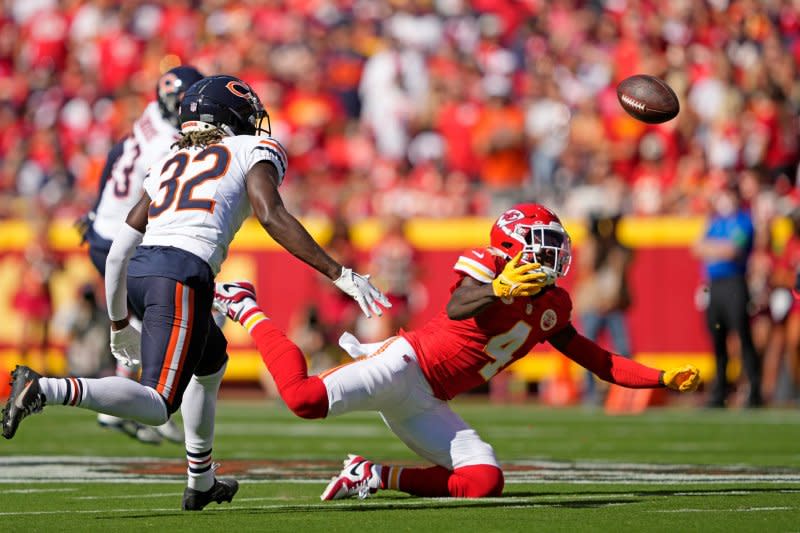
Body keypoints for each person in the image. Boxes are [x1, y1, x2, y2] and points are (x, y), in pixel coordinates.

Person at [2, 75, 391, 511]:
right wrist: (339, 273)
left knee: (212, 360)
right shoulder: (249, 149)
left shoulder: (169, 160)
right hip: (183, 272)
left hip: (142, 271)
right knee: (157, 404)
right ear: (230, 116)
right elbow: (271, 213)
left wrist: (117, 323)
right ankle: (45, 389)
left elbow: (117, 256)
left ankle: (201, 480)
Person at [213, 203, 700, 501]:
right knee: (303, 400)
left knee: (484, 480)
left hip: (429, 401)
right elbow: (459, 304)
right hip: (403, 365)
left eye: (556, 245)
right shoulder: (488, 266)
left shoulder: (554, 303)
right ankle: (248, 307)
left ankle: (373, 475)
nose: (554, 256)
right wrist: (502, 289)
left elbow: (600, 359)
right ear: (511, 246)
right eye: (542, 245)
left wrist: (661, 379)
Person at [77, 65, 206, 445]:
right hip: (121, 236)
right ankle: (150, 405)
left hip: (105, 229)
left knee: (141, 317)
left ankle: (124, 406)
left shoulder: (150, 117)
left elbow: (117, 151)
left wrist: (96, 208)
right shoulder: (166, 143)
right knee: (162, 312)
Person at [693, 180, 762, 408]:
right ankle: (719, 390)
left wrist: (713, 248)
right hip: (715, 285)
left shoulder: (744, 221)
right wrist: (717, 248)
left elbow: (733, 250)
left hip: (735, 283)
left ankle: (753, 389)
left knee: (742, 336)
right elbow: (697, 247)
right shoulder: (716, 222)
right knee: (717, 338)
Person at [573, 213, 634, 404]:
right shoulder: (592, 246)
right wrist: (593, 235)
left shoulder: (619, 249)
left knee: (624, 349)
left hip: (613, 306)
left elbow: (628, 257)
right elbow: (588, 264)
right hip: (593, 305)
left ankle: (625, 394)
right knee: (588, 353)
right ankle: (590, 396)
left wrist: (614, 234)